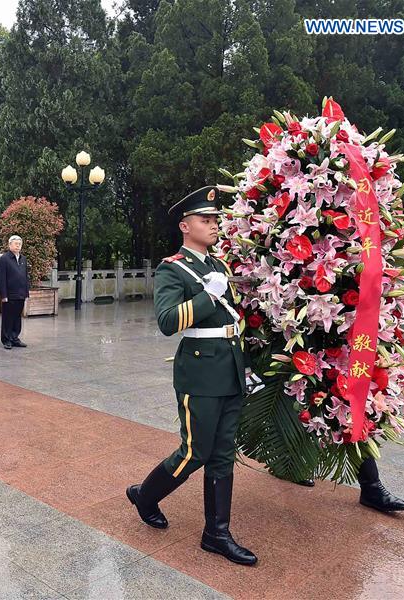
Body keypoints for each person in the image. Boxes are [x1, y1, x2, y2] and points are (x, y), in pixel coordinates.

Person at [125, 186, 257, 566]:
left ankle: (216, 533)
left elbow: (233, 320)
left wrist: (246, 365)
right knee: (194, 452)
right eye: (206, 220)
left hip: (229, 368)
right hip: (199, 372)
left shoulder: (219, 267)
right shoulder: (172, 268)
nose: (214, 225)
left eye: (215, 220)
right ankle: (146, 495)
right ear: (186, 226)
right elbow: (167, 322)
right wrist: (207, 297)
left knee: (222, 454)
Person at [0, 235, 29, 350]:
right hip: (9, 295)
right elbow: (1, 278)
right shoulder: (4, 259)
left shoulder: (23, 259)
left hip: (20, 294)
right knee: (7, 318)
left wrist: (26, 293)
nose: (18, 246)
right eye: (16, 244)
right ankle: (6, 339)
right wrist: (3, 295)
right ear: (9, 245)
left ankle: (15, 337)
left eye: (20, 244)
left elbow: (25, 277)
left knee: (17, 317)